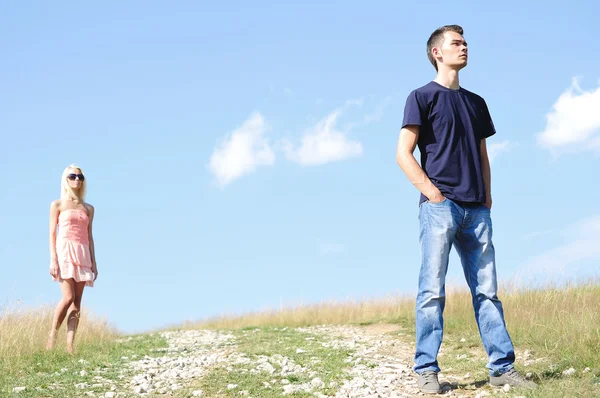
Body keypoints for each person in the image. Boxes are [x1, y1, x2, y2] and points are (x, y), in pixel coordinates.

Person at [396, 25, 537, 393]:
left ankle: (502, 368)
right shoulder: (421, 96)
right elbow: (402, 153)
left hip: (477, 210)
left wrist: (487, 198)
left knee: (488, 291)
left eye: (465, 42)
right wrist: (433, 194)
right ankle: (427, 369)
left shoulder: (476, 102)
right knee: (432, 290)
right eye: (456, 43)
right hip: (440, 208)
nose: (464, 47)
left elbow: (482, 154)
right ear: (437, 53)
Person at [47, 165, 98, 353]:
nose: (77, 179)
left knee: (77, 303)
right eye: (73, 176)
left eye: (80, 177)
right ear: (66, 179)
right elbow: (52, 233)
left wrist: (94, 262)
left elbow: (90, 236)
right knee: (67, 297)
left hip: (82, 252)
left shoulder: (88, 208)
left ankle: (70, 346)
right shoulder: (57, 205)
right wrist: (53, 259)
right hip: (64, 251)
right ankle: (52, 335)